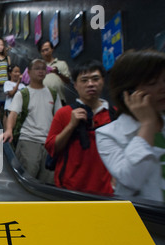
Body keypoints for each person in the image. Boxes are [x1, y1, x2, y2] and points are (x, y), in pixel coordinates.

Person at [96, 49, 165, 204]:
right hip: (149, 223)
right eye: (152, 82)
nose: (164, 88)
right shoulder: (107, 134)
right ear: (129, 92)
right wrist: (147, 124)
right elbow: (131, 178)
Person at [45, 60, 115, 194]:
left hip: (106, 193)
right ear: (75, 85)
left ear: (103, 81)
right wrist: (71, 126)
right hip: (70, 191)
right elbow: (51, 147)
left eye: (95, 79)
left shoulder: (114, 114)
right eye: (84, 80)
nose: (90, 84)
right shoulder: (64, 113)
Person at [3, 59, 62, 184]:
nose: (41, 71)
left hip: (49, 144)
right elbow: (13, 113)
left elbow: (59, 117)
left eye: (43, 68)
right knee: (27, 182)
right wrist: (9, 130)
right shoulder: (23, 94)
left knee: (48, 184)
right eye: (37, 68)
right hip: (29, 142)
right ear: (28, 72)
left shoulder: (53, 94)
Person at [38, 39, 71, 105]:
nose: (45, 53)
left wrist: (58, 73)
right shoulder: (38, 66)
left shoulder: (62, 64)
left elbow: (68, 81)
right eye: (42, 51)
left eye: (47, 49)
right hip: (42, 101)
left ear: (52, 49)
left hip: (59, 99)